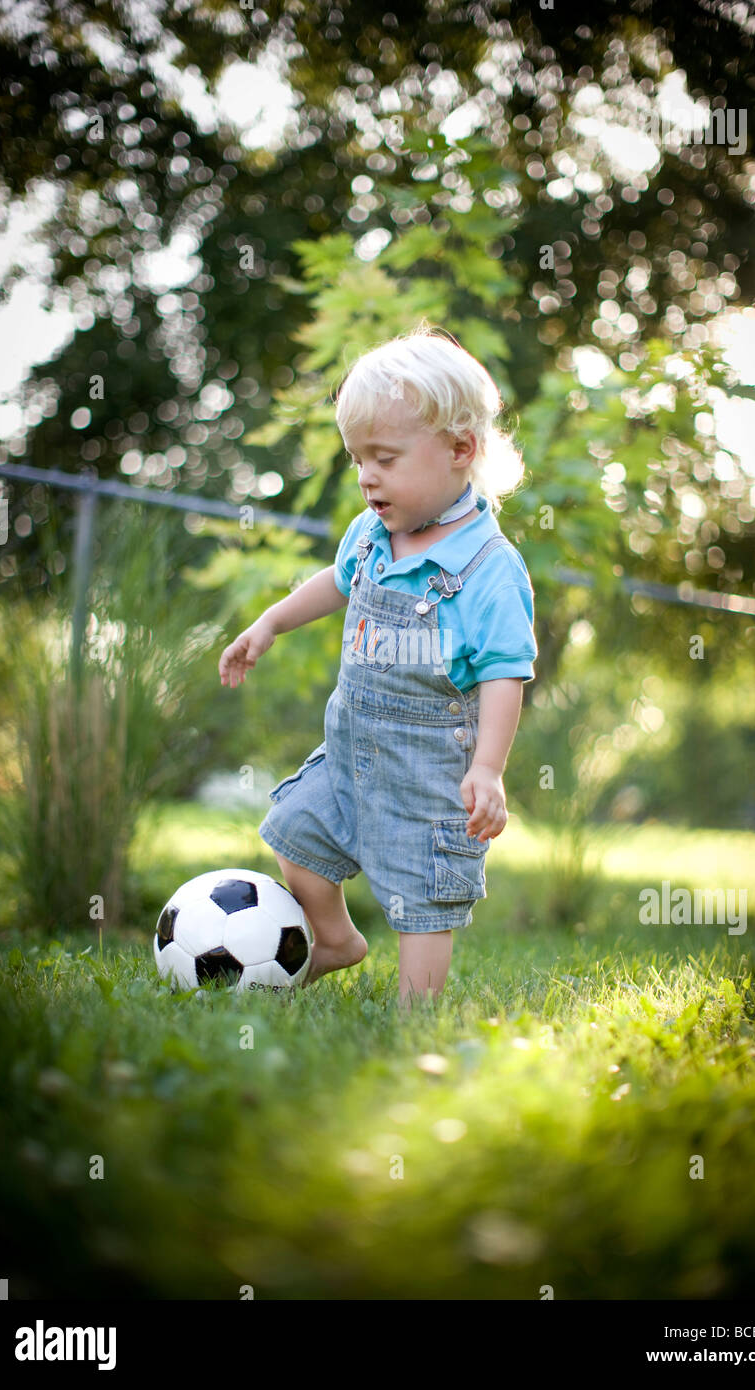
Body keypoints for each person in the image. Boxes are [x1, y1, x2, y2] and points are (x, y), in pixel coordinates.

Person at [218, 326, 537, 1007]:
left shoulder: (488, 567)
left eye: (385, 458)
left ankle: (415, 1012)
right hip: (350, 750)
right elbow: (334, 583)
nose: (367, 476)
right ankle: (334, 939)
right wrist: (270, 622)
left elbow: (506, 671)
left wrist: (487, 767)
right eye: (359, 458)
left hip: (428, 777)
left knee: (424, 901)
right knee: (295, 833)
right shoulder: (372, 535)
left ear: (461, 450)